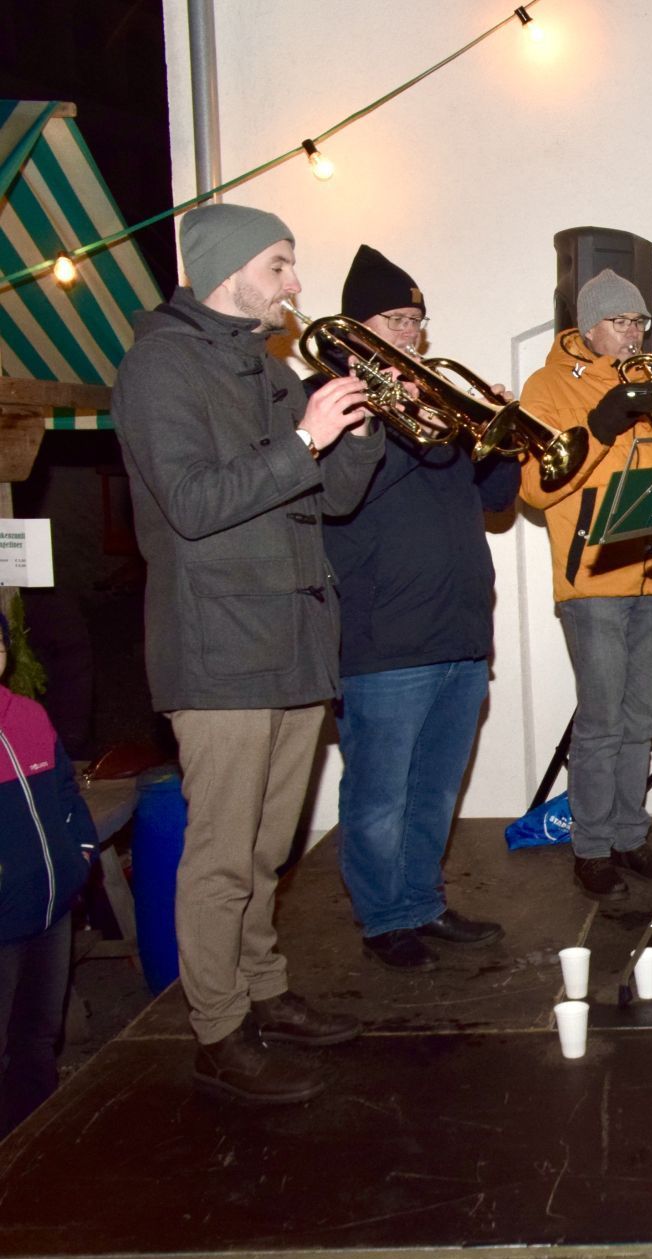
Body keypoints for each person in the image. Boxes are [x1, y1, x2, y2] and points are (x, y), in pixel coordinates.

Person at [113, 202, 382, 1106]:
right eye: (280, 265)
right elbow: (192, 501)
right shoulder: (161, 366)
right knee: (223, 855)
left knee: (269, 846)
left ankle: (263, 987)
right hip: (220, 645)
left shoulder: (265, 368)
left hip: (296, 640)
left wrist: (362, 423)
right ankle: (217, 1027)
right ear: (225, 270)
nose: (295, 285)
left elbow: (331, 501)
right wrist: (305, 434)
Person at [318, 245, 515, 971]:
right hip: (384, 634)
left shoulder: (439, 402)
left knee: (434, 786)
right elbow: (345, 496)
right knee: (378, 795)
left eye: (417, 321)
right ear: (355, 330)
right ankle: (383, 917)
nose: (411, 333)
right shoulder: (331, 400)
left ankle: (423, 902)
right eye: (396, 319)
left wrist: (495, 432)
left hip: (460, 628)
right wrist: (396, 409)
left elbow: (495, 503)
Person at [517, 269, 652, 903]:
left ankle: (629, 835)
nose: (634, 333)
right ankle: (590, 849)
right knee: (602, 720)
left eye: (640, 322)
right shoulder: (548, 386)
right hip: (592, 576)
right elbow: (534, 488)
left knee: (641, 717)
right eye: (621, 321)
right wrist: (605, 426)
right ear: (588, 327)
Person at [0, 629, 96, 1139]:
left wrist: (78, 853)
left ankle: (35, 1148)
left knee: (39, 1036)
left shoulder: (29, 717)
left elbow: (63, 792)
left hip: (51, 912)